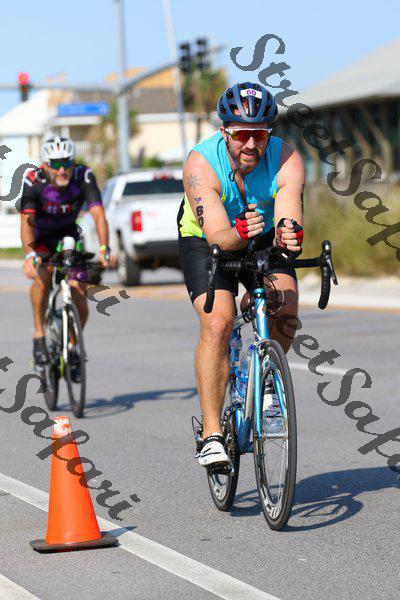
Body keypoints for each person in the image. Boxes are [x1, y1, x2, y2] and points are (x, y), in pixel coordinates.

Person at [177, 82, 305, 467]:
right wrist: (239, 232)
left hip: (259, 232)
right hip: (208, 238)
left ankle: (266, 384)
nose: (251, 144)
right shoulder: (200, 164)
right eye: (242, 135)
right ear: (225, 132)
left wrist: (289, 236)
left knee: (285, 303)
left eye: (260, 135)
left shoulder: (286, 158)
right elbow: (219, 236)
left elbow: (288, 217)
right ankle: (212, 433)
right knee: (219, 320)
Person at [20, 135, 115, 373]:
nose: (62, 170)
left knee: (79, 292)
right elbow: (26, 222)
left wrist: (104, 248)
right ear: (45, 165)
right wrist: (30, 256)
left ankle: (72, 346)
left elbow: (98, 214)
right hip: (41, 238)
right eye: (56, 164)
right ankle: (39, 335)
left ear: (73, 163)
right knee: (42, 278)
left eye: (66, 163)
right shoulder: (33, 180)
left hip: (70, 236)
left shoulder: (84, 176)